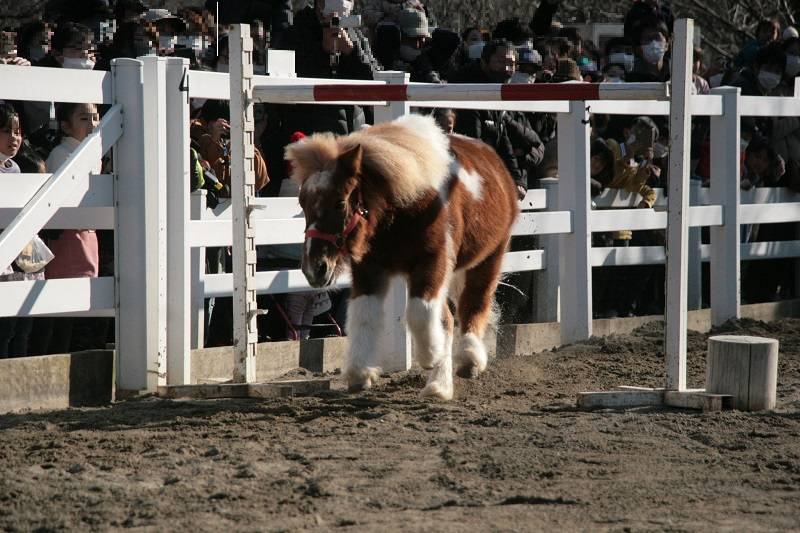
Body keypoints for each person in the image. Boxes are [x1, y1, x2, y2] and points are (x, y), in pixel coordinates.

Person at [36, 102, 101, 354]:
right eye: (84, 118)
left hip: (88, 233)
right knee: (64, 305)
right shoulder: (62, 154)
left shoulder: (90, 151)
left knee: (83, 302)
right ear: (65, 125)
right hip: (69, 234)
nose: (93, 123)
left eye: (96, 117)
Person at [0, 103, 50, 357]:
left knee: (21, 327)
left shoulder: (16, 167)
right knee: (5, 328)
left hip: (22, 251)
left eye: (18, 132)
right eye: (7, 131)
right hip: (5, 253)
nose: (15, 138)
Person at [451, 39, 525, 199]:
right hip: (464, 183)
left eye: (511, 63)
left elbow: (503, 139)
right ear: (484, 63)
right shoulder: (466, 92)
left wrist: (516, 180)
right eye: (499, 61)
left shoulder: (496, 94)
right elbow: (471, 146)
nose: (506, 69)